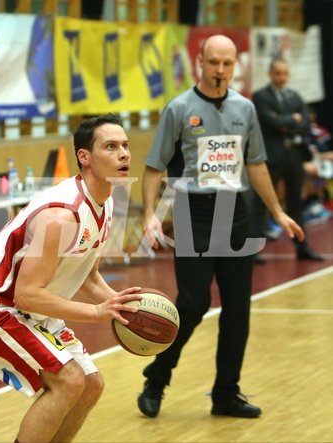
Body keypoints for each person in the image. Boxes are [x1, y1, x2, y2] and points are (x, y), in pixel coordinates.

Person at [0, 114, 143, 442]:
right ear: (85, 157)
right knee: (68, 381)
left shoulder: (104, 202)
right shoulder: (61, 215)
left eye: (125, 146)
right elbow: (27, 294)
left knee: (89, 385)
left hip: (25, 307)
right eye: (111, 147)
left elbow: (87, 276)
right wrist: (97, 313)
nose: (124, 154)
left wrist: (115, 304)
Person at [138, 35, 304, 419]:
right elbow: (153, 167)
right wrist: (149, 215)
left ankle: (226, 394)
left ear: (235, 66)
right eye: (213, 62)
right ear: (199, 61)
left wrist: (277, 212)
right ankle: (157, 377)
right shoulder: (178, 109)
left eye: (227, 64)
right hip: (192, 213)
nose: (220, 70)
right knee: (193, 304)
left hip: (236, 214)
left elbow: (257, 164)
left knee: (237, 310)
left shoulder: (245, 109)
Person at [250, 57, 323, 262]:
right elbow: (271, 121)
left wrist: (289, 122)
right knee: (261, 201)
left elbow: (306, 121)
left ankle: (302, 247)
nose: (282, 77)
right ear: (270, 73)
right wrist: (293, 119)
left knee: (295, 202)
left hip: (293, 155)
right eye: (278, 73)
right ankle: (252, 249)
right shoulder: (261, 96)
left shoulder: (294, 96)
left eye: (285, 73)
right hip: (272, 157)